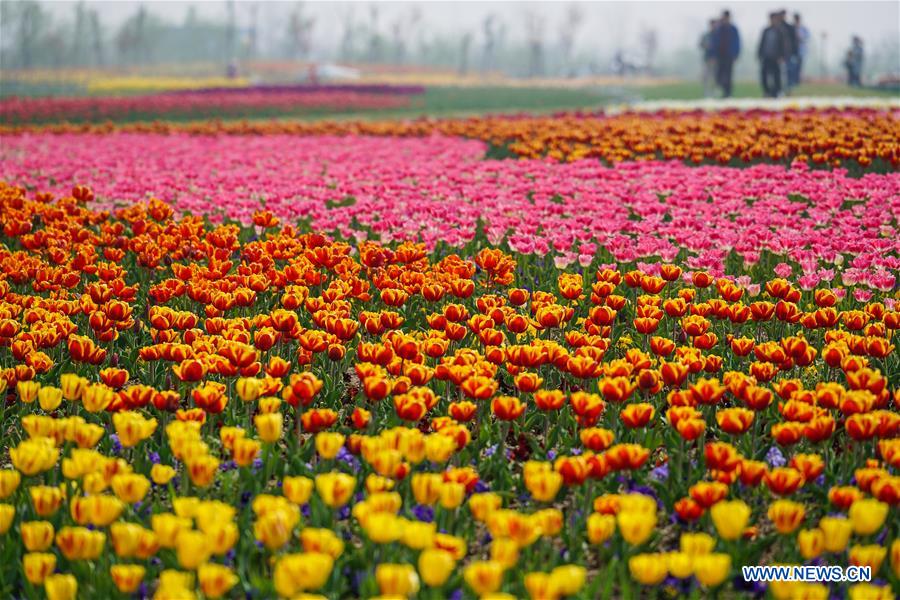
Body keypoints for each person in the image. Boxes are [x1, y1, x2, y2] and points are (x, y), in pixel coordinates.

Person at [758, 12, 787, 97]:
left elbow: (784, 45)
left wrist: (782, 56)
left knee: (776, 75)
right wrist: (759, 54)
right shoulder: (766, 30)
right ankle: (766, 91)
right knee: (764, 75)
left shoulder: (780, 31)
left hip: (776, 57)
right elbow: (761, 43)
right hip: (766, 56)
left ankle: (777, 91)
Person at [712, 10, 740, 97]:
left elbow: (737, 42)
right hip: (720, 55)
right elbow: (714, 42)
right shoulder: (719, 29)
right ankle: (721, 88)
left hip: (729, 55)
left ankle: (728, 93)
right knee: (719, 74)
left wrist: (735, 53)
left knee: (728, 74)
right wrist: (713, 54)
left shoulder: (733, 29)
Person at [778, 10, 798, 94]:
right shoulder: (777, 27)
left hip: (788, 54)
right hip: (778, 55)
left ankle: (789, 89)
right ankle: (780, 89)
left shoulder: (789, 27)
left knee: (789, 72)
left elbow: (794, 41)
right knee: (780, 73)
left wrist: (794, 53)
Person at [789, 13, 810, 87]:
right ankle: (792, 81)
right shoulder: (791, 28)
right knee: (792, 67)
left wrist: (800, 38)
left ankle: (797, 81)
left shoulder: (803, 28)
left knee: (799, 67)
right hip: (792, 51)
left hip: (801, 51)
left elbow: (807, 38)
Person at [700, 19, 719, 97]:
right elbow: (701, 44)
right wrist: (705, 45)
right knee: (706, 77)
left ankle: (714, 92)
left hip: (716, 59)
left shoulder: (718, 35)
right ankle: (706, 92)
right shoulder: (706, 35)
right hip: (707, 59)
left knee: (715, 77)